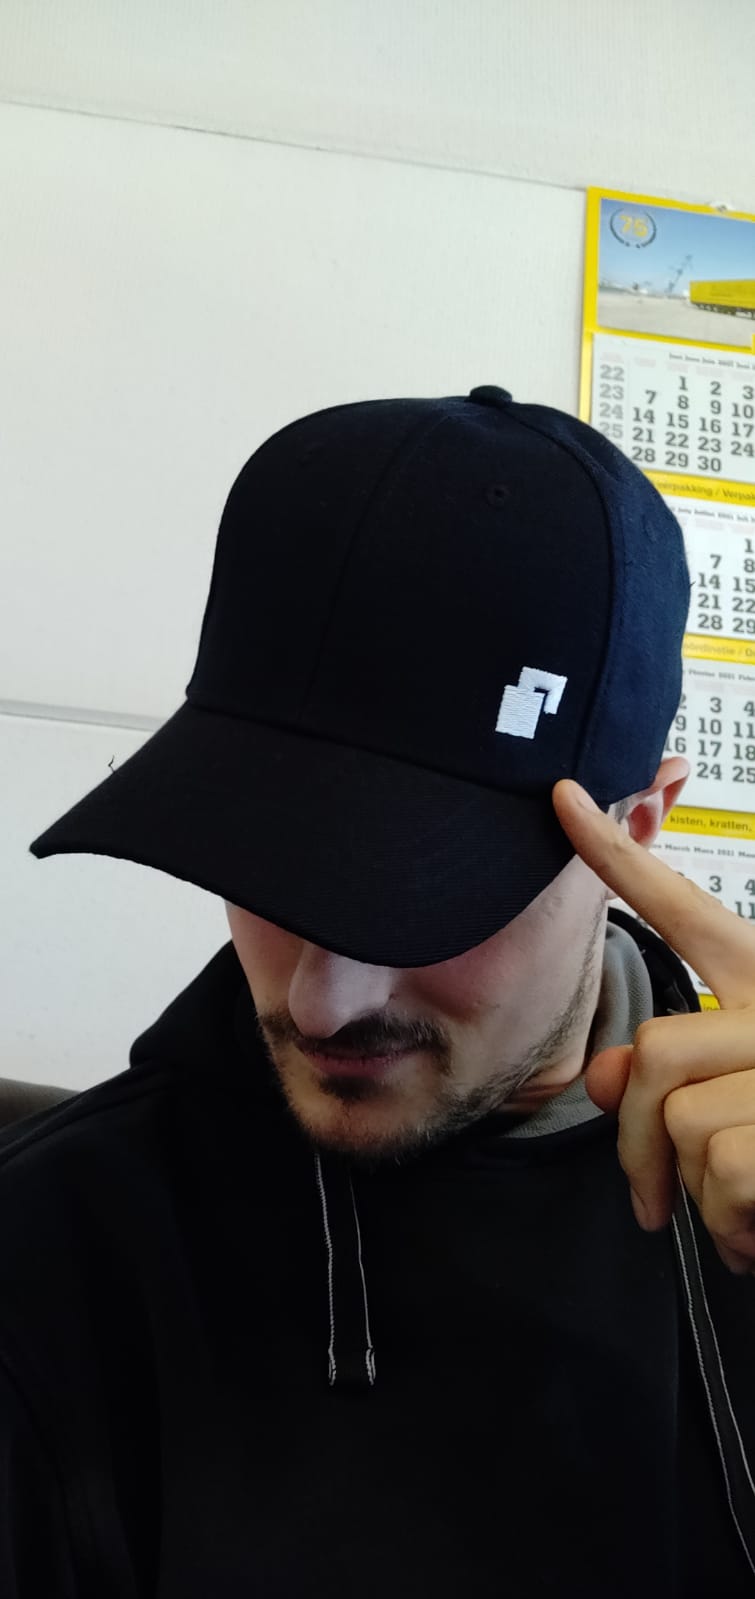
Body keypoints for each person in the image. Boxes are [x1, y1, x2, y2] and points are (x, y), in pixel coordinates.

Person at [2, 384, 755, 1597]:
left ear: (637, 828)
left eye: (424, 894)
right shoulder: (57, 1260)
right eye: (263, 865)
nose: (321, 1005)